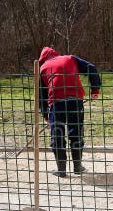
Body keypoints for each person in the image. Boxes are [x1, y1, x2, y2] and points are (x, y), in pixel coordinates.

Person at [38, 46, 101, 178]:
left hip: (56, 104)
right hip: (75, 101)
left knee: (58, 136)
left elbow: (41, 95)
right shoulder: (70, 58)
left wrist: (46, 115)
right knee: (76, 133)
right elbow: (92, 68)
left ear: (42, 59)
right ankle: (77, 167)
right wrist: (95, 90)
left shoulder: (42, 68)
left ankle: (61, 170)